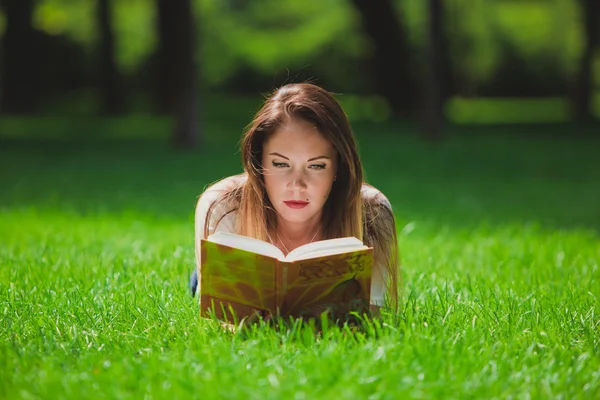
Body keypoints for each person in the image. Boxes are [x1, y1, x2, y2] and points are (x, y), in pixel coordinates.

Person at [191, 83, 400, 317]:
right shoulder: (222, 206)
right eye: (280, 164)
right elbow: (220, 319)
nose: (297, 184)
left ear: (338, 169)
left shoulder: (372, 212)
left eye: (316, 165)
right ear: (259, 164)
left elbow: (371, 318)